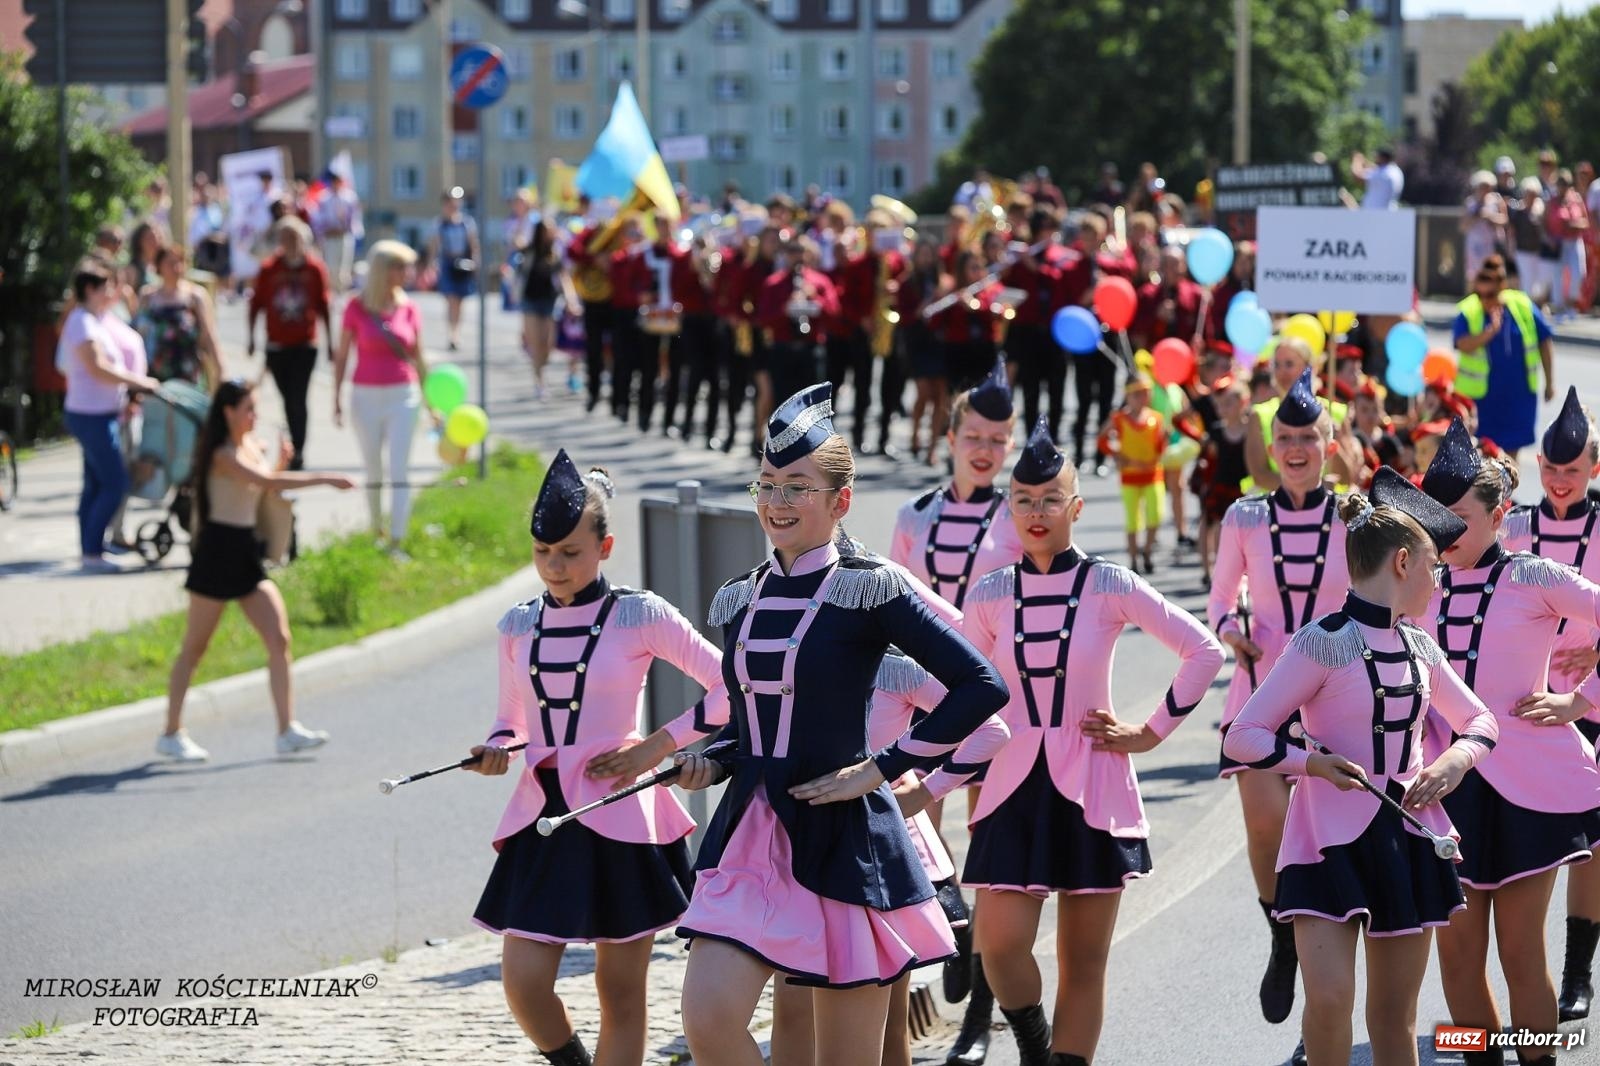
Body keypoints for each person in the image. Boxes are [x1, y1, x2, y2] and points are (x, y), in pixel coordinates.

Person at [673, 384, 1009, 1066]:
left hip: (845, 842)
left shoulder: (869, 586)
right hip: (750, 838)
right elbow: (752, 723)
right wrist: (713, 760)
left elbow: (982, 686)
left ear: (840, 501)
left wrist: (885, 767)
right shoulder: (741, 599)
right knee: (708, 1022)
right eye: (767, 484)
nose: (777, 502)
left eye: (797, 486)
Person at [961, 417, 1224, 1066]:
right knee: (997, 943)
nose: (1037, 513)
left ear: (1076, 507)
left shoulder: (1109, 583)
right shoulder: (989, 593)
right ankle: (1033, 1046)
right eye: (1023, 501)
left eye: (1051, 500)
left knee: (1084, 963)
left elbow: (1203, 651)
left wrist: (1150, 732)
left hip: (1094, 787)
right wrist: (943, 772)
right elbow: (962, 695)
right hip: (1012, 786)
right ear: (1008, 509)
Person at [1224, 467, 1498, 1066]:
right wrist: (1310, 764)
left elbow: (1482, 720)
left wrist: (1455, 759)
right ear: (1402, 562)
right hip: (1326, 842)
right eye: (1433, 566)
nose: (1438, 581)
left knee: (1393, 1018)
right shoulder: (1321, 641)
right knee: (1329, 1000)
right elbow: (1243, 736)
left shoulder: (1420, 645)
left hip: (1407, 840)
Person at [468, 450, 731, 1066]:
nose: (554, 567)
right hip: (543, 818)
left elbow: (731, 687)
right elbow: (510, 723)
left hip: (623, 817)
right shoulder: (516, 625)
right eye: (542, 554)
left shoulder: (640, 614)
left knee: (619, 992)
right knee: (524, 984)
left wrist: (656, 747)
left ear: (605, 546)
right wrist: (495, 751)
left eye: (570, 552)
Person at [1418, 419, 1600, 1066]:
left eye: (1459, 518)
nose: (1445, 532)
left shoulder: (1533, 576)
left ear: (1499, 515)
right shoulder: (1416, 583)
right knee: (1458, 963)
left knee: (1522, 954)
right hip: (1446, 792)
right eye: (1434, 518)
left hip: (1531, 790)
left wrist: (1581, 700)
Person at [1207, 369, 1353, 1061]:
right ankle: (1278, 935)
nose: (1296, 449)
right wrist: (1230, 626)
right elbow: (1221, 597)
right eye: (1285, 437)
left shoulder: (1357, 516)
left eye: (1309, 437)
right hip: (1260, 697)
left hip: (1336, 705)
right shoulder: (1244, 516)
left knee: (1323, 854)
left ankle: (1312, 1020)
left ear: (1331, 441)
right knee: (1266, 834)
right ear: (1272, 443)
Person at [158, 380, 355, 763]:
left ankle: (287, 730)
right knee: (194, 649)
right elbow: (264, 481)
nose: (254, 415)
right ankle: (170, 732)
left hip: (245, 552)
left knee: (279, 638)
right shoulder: (221, 454)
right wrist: (326, 479)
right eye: (248, 408)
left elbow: (262, 489)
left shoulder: (249, 446)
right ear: (228, 411)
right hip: (217, 552)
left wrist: (280, 462)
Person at [1503, 388, 1600, 1022]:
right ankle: (1525, 980)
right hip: (1527, 702)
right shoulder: (1512, 528)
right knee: (1528, 842)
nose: (1560, 482)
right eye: (1550, 469)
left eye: (1572, 470)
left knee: (1593, 843)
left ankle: (1576, 975)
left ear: (1594, 468)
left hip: (1594, 699)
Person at [891, 358, 1023, 612]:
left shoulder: (1020, 517)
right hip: (920, 653)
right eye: (973, 437)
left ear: (1010, 447)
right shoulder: (915, 512)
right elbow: (893, 601)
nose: (984, 450)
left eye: (997, 440)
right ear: (951, 440)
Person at [333, 240, 436, 555]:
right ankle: (376, 531)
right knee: (373, 469)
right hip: (364, 396)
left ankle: (397, 539)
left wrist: (432, 403)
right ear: (383, 270)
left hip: (403, 396)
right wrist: (335, 397)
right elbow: (342, 355)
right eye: (400, 266)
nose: (406, 273)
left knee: (399, 469)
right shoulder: (356, 307)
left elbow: (418, 357)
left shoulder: (409, 308)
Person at [59, 261, 160, 571]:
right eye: (106, 287)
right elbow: (97, 367)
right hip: (91, 416)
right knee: (114, 483)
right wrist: (139, 382)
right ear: (90, 289)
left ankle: (91, 548)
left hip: (101, 414)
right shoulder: (82, 322)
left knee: (94, 484)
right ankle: (91, 553)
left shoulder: (94, 319)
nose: (110, 293)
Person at [247, 218, 333, 471]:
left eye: (294, 239)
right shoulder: (268, 269)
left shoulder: (314, 269)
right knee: (287, 398)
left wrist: (331, 343)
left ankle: (298, 449)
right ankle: (293, 441)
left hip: (305, 344)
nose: (290, 244)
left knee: (299, 398)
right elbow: (256, 305)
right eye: (285, 238)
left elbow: (324, 306)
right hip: (277, 345)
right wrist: (252, 338)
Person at [1451, 254, 1555, 458]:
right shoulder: (1468, 310)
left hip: (1518, 395)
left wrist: (1550, 382)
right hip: (1483, 399)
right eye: (1479, 295)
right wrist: (1489, 332)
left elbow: (1544, 340)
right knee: (1482, 453)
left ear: (1502, 287)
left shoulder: (1522, 305)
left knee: (1511, 455)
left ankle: (1508, 491)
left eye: (1489, 295)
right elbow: (1462, 344)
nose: (1484, 300)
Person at [1097, 374, 1166, 574]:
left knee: (1156, 516)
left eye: (1145, 393)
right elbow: (1102, 440)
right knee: (1133, 520)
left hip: (1153, 474)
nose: (1141, 398)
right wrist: (1116, 456)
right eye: (1136, 394)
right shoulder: (1119, 419)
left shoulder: (1156, 419)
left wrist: (1164, 442)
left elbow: (1160, 447)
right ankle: (1134, 558)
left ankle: (1147, 550)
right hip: (1130, 477)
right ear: (1127, 396)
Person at [896, 242, 952, 465]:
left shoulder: (944, 282)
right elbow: (905, 316)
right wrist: (920, 308)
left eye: (930, 254)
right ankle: (915, 431)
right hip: (917, 342)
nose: (926, 259)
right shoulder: (907, 284)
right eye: (922, 254)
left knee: (940, 395)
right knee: (924, 392)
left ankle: (932, 447)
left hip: (939, 343)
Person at [138, 244, 223, 391]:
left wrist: (220, 369)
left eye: (180, 262)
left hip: (187, 372)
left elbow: (209, 335)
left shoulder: (195, 296)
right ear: (159, 266)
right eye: (171, 263)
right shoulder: (147, 296)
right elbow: (139, 335)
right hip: (154, 374)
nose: (176, 268)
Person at [517, 216, 569, 400]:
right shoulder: (529, 251)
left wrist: (571, 300)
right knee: (536, 344)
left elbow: (563, 276)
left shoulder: (555, 252)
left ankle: (542, 370)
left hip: (549, 302)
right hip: (530, 301)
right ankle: (539, 381)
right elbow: (516, 251)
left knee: (548, 343)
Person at [428, 189, 481, 351]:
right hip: (448, 264)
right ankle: (452, 334)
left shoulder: (467, 222)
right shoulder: (439, 223)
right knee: (451, 299)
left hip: (463, 264)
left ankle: (456, 331)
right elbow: (434, 246)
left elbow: (473, 244)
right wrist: (432, 264)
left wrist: (475, 262)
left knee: (459, 301)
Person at [311, 170, 363, 292]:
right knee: (331, 267)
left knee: (344, 267)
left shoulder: (349, 197)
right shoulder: (324, 198)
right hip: (330, 238)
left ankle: (342, 292)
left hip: (344, 236)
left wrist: (346, 226)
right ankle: (332, 292)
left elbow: (355, 218)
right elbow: (318, 218)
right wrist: (325, 231)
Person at [1549, 170, 1590, 322]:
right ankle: (1559, 308)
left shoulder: (1576, 199)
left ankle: (1571, 304)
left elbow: (1586, 222)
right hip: (1558, 242)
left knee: (1579, 273)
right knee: (1558, 276)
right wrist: (1549, 240)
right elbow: (1545, 223)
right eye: (1560, 184)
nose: (1562, 187)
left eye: (1565, 184)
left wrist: (1573, 224)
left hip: (1574, 241)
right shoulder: (1552, 201)